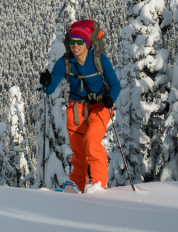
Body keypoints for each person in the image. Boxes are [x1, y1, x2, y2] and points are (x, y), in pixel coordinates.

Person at [39, 19, 120, 192]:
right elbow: (50, 88)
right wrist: (46, 83)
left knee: (91, 142)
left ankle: (99, 185)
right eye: (72, 42)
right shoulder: (65, 62)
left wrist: (110, 98)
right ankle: (79, 186)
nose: (75, 45)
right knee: (78, 151)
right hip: (76, 109)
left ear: (87, 43)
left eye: (79, 42)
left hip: (100, 106)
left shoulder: (99, 60)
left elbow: (115, 84)